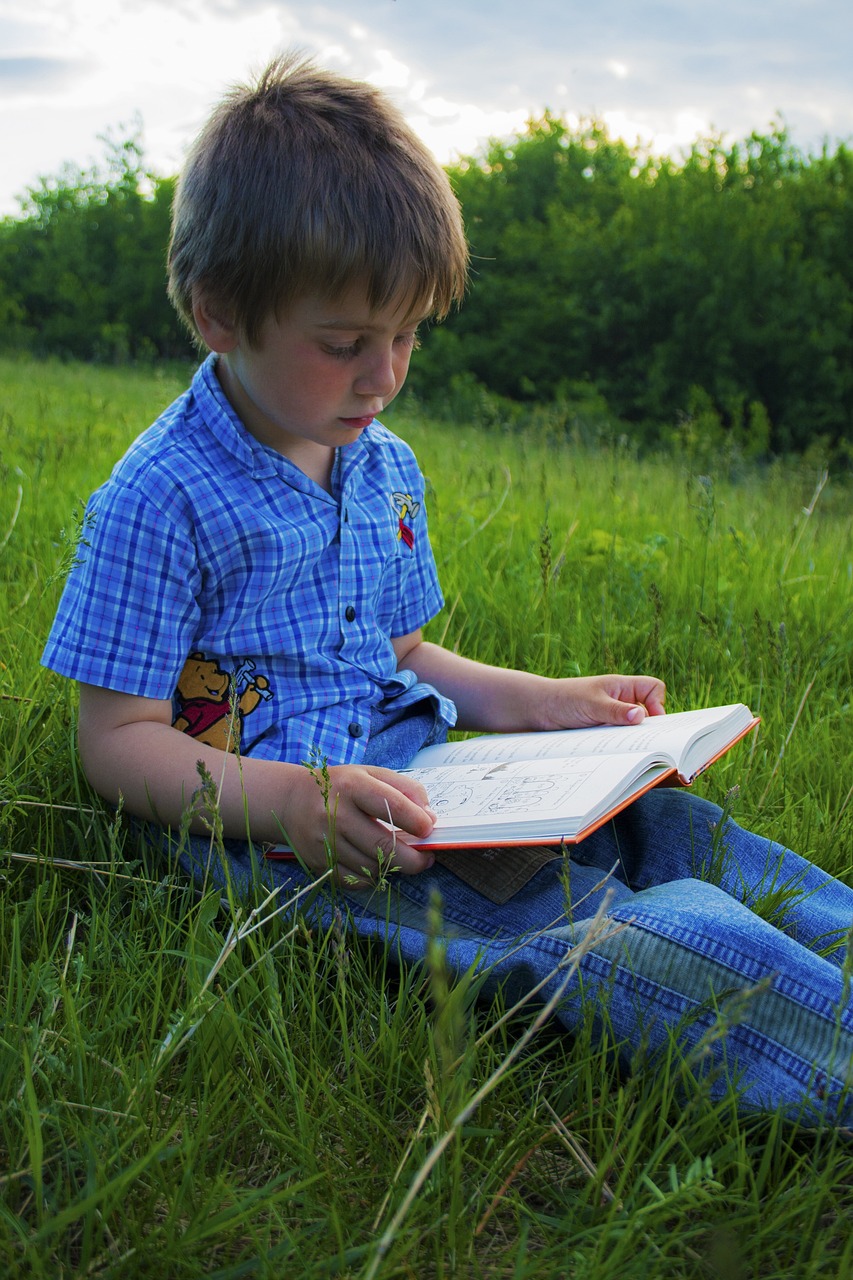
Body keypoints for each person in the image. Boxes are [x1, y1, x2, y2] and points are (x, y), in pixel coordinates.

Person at [42, 54, 852, 1128]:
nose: (384, 375)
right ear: (220, 314)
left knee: (665, 829)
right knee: (593, 924)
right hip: (300, 833)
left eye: (408, 336)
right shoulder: (160, 498)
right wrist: (292, 800)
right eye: (344, 344)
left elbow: (406, 656)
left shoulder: (382, 463)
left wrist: (547, 702)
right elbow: (114, 742)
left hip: (430, 776)